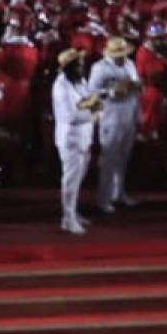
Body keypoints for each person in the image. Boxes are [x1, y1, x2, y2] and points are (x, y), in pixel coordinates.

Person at [88, 35, 142, 212]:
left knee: (123, 158)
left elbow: (136, 88)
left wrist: (136, 89)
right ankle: (104, 198)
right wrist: (112, 92)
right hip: (110, 117)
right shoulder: (100, 68)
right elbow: (92, 91)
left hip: (128, 115)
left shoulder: (129, 64)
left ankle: (118, 193)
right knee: (109, 158)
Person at [52, 48, 99, 233]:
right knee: (71, 180)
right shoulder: (61, 87)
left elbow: (87, 101)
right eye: (78, 65)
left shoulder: (79, 81)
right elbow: (71, 116)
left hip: (84, 138)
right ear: (67, 68)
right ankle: (68, 219)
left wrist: (93, 104)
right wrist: (94, 114)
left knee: (79, 178)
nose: (82, 67)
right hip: (71, 140)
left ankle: (73, 212)